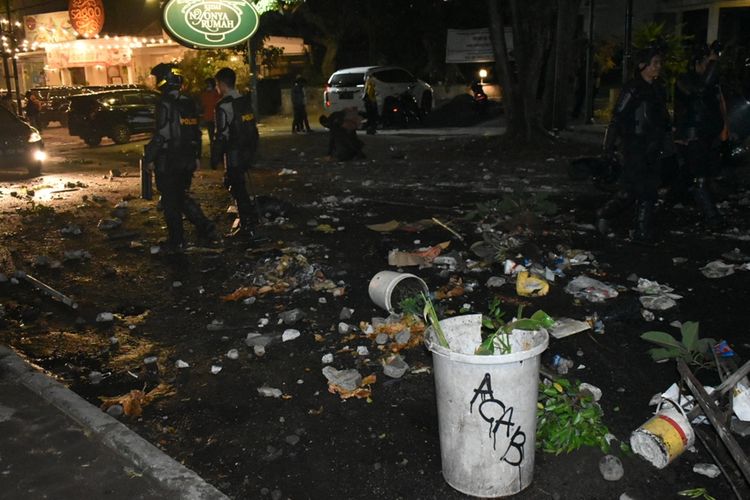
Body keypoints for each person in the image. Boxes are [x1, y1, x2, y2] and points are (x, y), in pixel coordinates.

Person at [596, 43, 671, 244]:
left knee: (649, 190)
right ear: (642, 65)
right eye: (654, 63)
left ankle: (641, 231)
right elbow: (617, 119)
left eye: (659, 63)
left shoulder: (658, 88)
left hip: (653, 147)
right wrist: (608, 149)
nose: (657, 67)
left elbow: (662, 120)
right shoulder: (633, 88)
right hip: (635, 146)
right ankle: (605, 214)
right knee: (632, 190)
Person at [143, 62, 216, 253]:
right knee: (180, 196)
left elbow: (162, 134)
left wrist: (149, 157)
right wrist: (197, 156)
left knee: (170, 201)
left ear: (164, 80)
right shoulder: (189, 102)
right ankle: (204, 225)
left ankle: (177, 241)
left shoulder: (164, 103)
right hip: (187, 159)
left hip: (169, 160)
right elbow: (196, 133)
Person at [672, 41, 725, 226]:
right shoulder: (685, 80)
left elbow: (716, 103)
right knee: (699, 176)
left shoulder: (710, 83)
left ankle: (673, 201)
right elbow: (700, 91)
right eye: (704, 63)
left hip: (706, 134)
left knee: (688, 173)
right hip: (692, 135)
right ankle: (712, 217)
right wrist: (713, 64)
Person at [211, 67, 259, 240]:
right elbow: (252, 128)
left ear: (222, 84)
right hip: (248, 150)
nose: (217, 88)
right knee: (240, 185)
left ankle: (247, 223)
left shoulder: (224, 105)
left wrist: (214, 157)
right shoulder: (244, 101)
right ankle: (249, 219)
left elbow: (221, 134)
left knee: (236, 186)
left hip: (233, 153)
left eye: (217, 84)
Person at [200, 78, 221, 168]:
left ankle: (216, 158)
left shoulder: (215, 94)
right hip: (210, 119)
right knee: (212, 140)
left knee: (216, 139)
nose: (207, 86)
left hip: (215, 119)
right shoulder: (207, 94)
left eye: (209, 84)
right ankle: (214, 159)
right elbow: (203, 104)